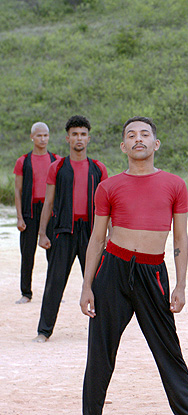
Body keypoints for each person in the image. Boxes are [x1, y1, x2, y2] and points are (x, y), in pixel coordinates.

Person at [80, 116, 188, 415]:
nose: (138, 139)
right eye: (131, 135)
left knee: (169, 351)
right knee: (100, 353)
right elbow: (97, 239)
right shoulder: (108, 187)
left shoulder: (175, 185)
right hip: (113, 270)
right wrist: (86, 286)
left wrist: (181, 285)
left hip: (152, 272)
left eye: (144, 134)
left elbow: (180, 238)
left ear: (156, 144)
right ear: (123, 146)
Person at [34, 115, 108, 342]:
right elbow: (48, 202)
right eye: (74, 134)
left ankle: (102, 332)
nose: (79, 138)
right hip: (63, 231)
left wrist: (110, 233)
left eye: (83, 134)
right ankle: (44, 331)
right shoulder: (57, 167)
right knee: (54, 282)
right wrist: (42, 233)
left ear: (88, 139)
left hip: (91, 233)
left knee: (98, 283)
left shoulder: (98, 168)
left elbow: (107, 206)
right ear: (68, 138)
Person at [13, 122, 58, 304]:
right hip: (30, 210)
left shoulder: (56, 160)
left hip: (50, 211)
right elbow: (18, 191)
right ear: (32, 137)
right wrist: (19, 217)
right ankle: (26, 293)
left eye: (45, 135)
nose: (43, 139)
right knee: (27, 253)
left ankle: (53, 293)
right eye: (39, 135)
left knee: (54, 255)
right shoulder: (23, 161)